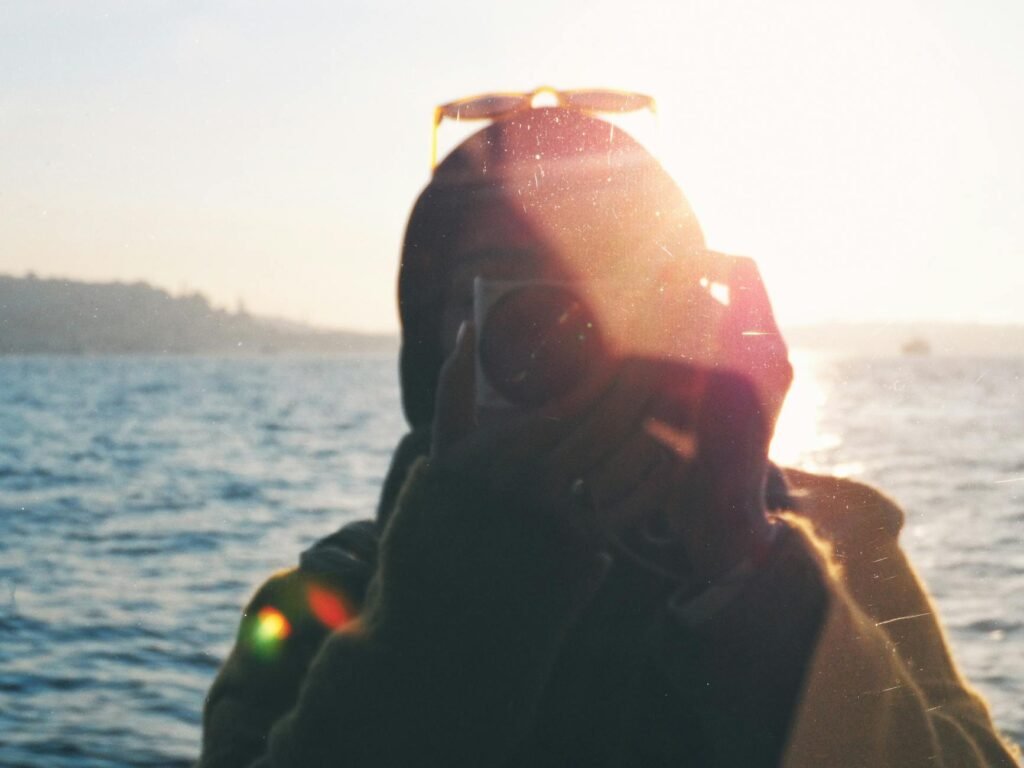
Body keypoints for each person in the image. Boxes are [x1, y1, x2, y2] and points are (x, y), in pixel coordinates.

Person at [196, 102, 1019, 767]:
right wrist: (467, 579)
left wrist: (745, 565)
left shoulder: (839, 555)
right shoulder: (329, 599)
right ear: (433, 336)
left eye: (601, 276)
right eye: (502, 288)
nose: (555, 326)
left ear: (689, 316)